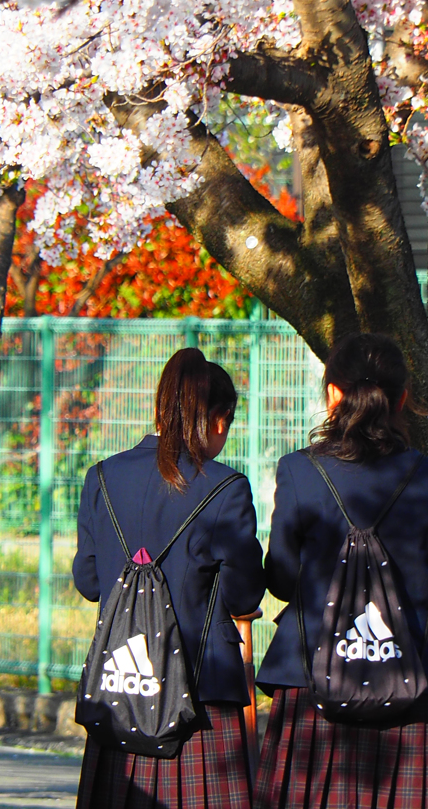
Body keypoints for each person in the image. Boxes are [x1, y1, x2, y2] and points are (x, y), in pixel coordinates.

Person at [254, 332, 428, 809]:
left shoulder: (299, 471)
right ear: (402, 399)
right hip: (409, 675)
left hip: (311, 673)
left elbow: (283, 579)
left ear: (332, 393)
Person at [73, 347, 266, 809]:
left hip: (123, 684)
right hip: (202, 693)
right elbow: (245, 591)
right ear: (219, 420)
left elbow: (90, 582)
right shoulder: (226, 487)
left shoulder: (101, 476)